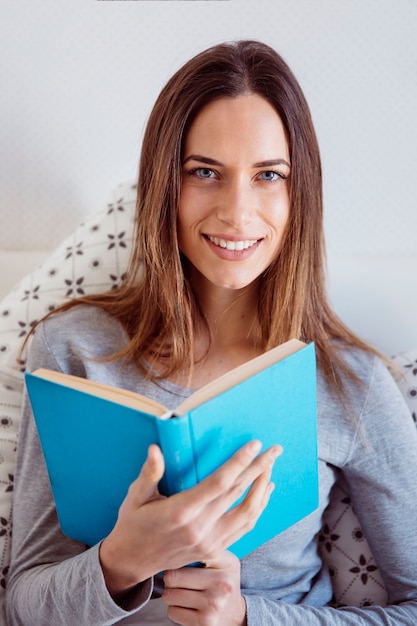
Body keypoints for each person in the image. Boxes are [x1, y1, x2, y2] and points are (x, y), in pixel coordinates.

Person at [6, 39, 417, 626]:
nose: (237, 212)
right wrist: (120, 562)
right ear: (162, 187)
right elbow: (22, 604)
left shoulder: (352, 386)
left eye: (268, 175)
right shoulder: (72, 349)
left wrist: (249, 616)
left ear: (300, 195)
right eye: (205, 172)